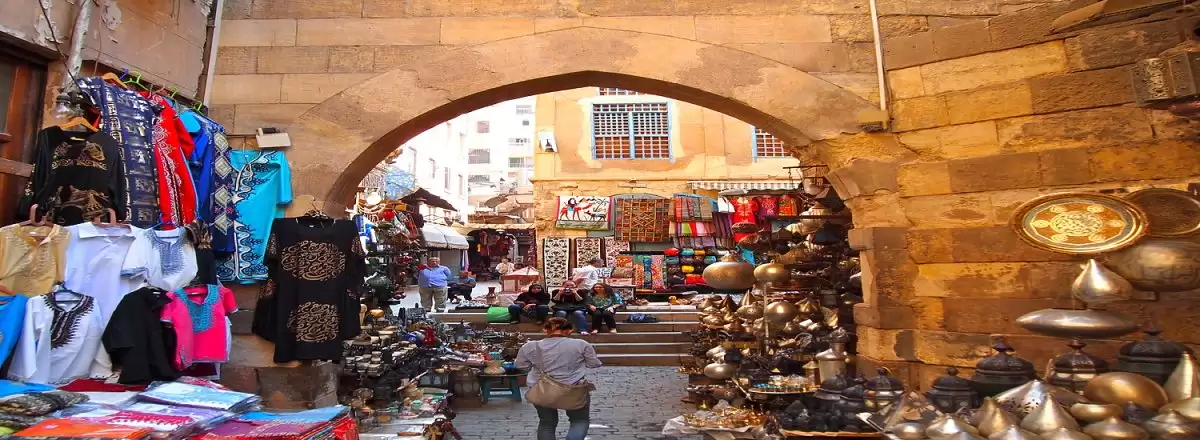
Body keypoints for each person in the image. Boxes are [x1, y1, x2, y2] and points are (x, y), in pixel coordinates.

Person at [515, 317, 602, 440]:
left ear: (545, 330)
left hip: (542, 388)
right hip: (573, 387)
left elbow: (521, 366)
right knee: (579, 420)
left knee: (547, 422)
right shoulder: (581, 344)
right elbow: (594, 364)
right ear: (570, 330)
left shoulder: (530, 346)